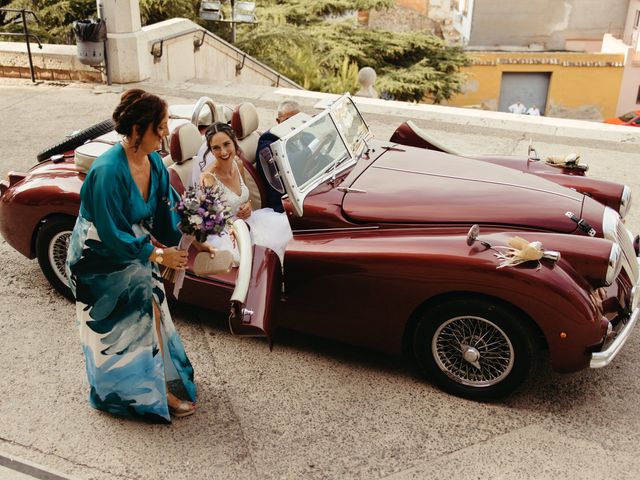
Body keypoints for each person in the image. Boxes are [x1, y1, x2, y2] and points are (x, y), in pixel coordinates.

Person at [66, 89, 215, 422]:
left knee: (153, 310)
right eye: (159, 127)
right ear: (137, 131)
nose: (165, 133)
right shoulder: (107, 171)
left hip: (135, 247)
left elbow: (168, 212)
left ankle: (158, 382)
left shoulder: (153, 164)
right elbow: (109, 232)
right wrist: (157, 255)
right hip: (98, 255)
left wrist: (194, 238)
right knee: (133, 320)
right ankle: (143, 394)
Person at [195, 122, 292, 265]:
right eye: (216, 148)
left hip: (251, 221)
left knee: (286, 231)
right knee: (257, 256)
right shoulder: (208, 178)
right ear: (211, 150)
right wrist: (233, 224)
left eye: (227, 144)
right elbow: (211, 220)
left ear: (234, 143)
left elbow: (245, 197)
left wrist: (248, 206)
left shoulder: (238, 163)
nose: (223, 152)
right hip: (228, 233)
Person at [255, 100, 302, 212]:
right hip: (285, 200)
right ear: (278, 121)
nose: (293, 124)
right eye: (288, 120)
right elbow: (286, 167)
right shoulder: (268, 141)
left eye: (297, 119)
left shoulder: (303, 134)